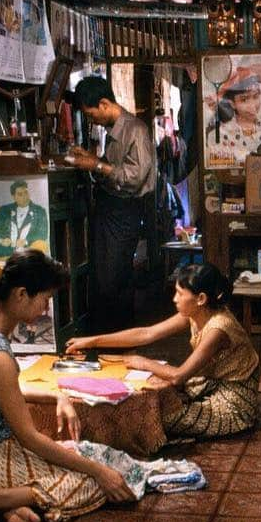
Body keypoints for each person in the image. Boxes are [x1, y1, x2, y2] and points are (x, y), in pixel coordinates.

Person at [0, 249, 135, 522]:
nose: (46, 308)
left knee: (83, 457)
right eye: (46, 299)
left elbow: (4, 392)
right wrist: (100, 473)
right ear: (21, 294)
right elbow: (29, 438)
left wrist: (57, 395)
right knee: (92, 481)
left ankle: (7, 506)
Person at [66, 262, 260, 441]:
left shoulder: (219, 328)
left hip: (232, 404)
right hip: (208, 386)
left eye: (179, 293)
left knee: (149, 417)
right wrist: (92, 341)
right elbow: (147, 333)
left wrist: (143, 362)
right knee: (148, 395)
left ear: (201, 299)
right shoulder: (196, 313)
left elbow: (178, 377)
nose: (175, 299)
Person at [65, 76, 156, 331]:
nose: (90, 119)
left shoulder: (135, 130)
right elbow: (114, 168)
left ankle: (116, 340)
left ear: (104, 104)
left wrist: (97, 164)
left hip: (124, 211)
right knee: (106, 276)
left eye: (90, 113)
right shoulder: (114, 131)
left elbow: (134, 178)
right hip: (110, 209)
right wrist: (93, 159)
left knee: (112, 280)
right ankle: (113, 338)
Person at [205, 64, 261, 165]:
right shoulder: (220, 134)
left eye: (256, 97)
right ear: (232, 104)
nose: (252, 105)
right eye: (244, 100)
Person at [0, 179, 49, 261]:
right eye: (20, 194)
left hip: (25, 249)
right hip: (6, 249)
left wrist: (26, 241)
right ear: (14, 197)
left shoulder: (39, 211)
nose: (24, 197)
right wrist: (1, 240)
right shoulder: (4, 210)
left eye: (26, 193)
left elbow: (43, 233)